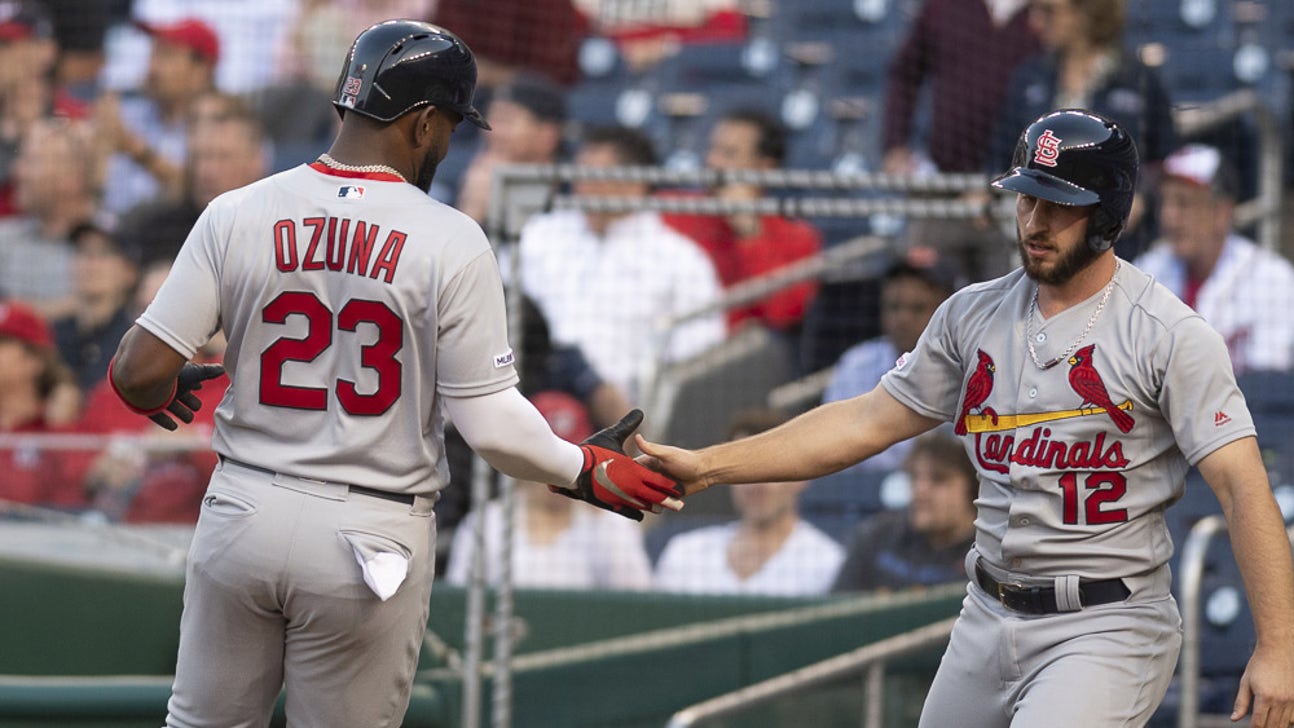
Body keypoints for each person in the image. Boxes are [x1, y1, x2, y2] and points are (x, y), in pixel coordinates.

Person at [107, 21, 681, 728]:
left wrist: (164, 390)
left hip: (242, 512)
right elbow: (494, 429)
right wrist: (584, 468)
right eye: (444, 127)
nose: (444, 142)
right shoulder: (450, 237)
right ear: (421, 123)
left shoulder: (238, 210)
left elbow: (136, 371)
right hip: (368, 532)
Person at [638, 110, 1294, 727]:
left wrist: (1279, 646)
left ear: (1106, 214)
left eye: (1058, 205)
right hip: (986, 610)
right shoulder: (970, 315)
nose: (1034, 221)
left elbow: (1242, 487)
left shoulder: (1168, 333)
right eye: (1026, 198)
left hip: (1105, 622)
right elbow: (863, 422)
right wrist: (709, 464)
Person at [518, 125, 725, 403]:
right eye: (578, 173)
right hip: (534, 393)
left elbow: (699, 352)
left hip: (630, 411)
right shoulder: (540, 233)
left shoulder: (680, 257)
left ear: (634, 182)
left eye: (594, 176)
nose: (581, 185)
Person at [987, 0, 1177, 259]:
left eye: (1049, 11)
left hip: (1121, 242)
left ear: (1085, 12)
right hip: (1037, 236)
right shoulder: (1029, 77)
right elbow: (1001, 153)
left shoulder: (1137, 79)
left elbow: (1167, 159)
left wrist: (1142, 195)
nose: (1035, 22)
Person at [445, 390, 654, 590]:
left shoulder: (608, 524)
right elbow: (459, 605)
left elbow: (638, 604)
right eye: (547, 460)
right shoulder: (488, 523)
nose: (558, 474)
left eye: (568, 457)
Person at [1134, 144, 1294, 375]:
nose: (1169, 216)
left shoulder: (1273, 279)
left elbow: (1266, 385)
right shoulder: (1144, 273)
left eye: (1183, 203)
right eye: (1164, 202)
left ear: (1222, 212)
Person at [663, 108, 822, 335]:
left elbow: (781, 314)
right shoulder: (674, 208)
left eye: (729, 154)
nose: (712, 161)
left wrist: (748, 230)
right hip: (670, 339)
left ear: (765, 168)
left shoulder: (798, 237)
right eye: (713, 149)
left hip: (741, 356)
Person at [653, 408, 843, 596]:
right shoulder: (685, 554)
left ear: (803, 475)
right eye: (742, 472)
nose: (754, 485)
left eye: (770, 469)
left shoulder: (827, 562)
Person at [822, 260, 956, 474]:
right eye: (894, 307)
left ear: (946, 312)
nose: (903, 318)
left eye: (917, 308)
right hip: (860, 493)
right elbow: (831, 443)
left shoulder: (966, 365)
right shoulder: (856, 363)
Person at [882, 0, 1040, 176]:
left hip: (1017, 176)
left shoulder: (1046, 12)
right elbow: (905, 73)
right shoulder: (944, 7)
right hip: (942, 172)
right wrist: (896, 145)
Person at [115, 104, 271, 265]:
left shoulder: (280, 226)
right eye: (198, 158)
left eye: (223, 157)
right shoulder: (160, 231)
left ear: (256, 162)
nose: (206, 170)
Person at [94, 17, 219, 214]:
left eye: (166, 56)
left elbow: (197, 189)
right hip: (117, 232)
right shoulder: (131, 112)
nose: (152, 68)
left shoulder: (221, 126)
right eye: (152, 55)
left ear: (200, 71)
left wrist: (132, 147)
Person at [832, 429, 977, 592]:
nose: (920, 490)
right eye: (914, 477)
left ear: (972, 486)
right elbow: (837, 609)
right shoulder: (877, 537)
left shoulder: (987, 555)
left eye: (939, 479)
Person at [0, 117, 100, 319]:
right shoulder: (5, 236)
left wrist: (13, 312)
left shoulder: (108, 244)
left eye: (31, 161)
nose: (18, 172)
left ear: (72, 178)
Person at [455, 71, 567, 223]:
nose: (493, 132)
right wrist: (473, 208)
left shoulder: (578, 187)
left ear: (547, 134)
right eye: (491, 118)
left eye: (507, 120)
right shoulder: (471, 178)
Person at [0, 299, 80, 507]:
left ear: (34, 360)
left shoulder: (57, 424)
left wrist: (60, 429)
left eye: (2, 342)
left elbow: (72, 499)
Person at [51, 222, 139, 392]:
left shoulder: (134, 340)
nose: (90, 263)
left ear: (129, 272)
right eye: (82, 252)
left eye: (103, 254)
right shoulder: (53, 334)